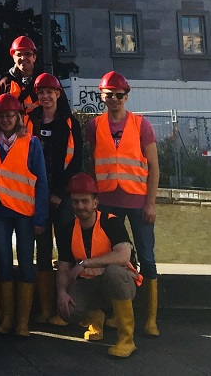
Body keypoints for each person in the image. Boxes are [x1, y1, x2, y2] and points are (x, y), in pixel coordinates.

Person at [85, 71, 160, 337]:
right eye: (109, 95)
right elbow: (93, 163)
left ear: (126, 97)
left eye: (119, 95)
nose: (114, 99)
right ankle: (114, 315)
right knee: (111, 260)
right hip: (107, 202)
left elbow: (153, 167)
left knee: (146, 257)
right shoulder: (94, 126)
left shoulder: (141, 125)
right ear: (102, 97)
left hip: (138, 201)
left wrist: (150, 203)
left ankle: (150, 319)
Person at [55, 173, 140, 358]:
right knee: (66, 310)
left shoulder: (111, 222)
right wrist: (62, 292)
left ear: (95, 202)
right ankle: (95, 317)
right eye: (75, 202)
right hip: (91, 286)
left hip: (121, 284)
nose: (80, 206)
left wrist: (85, 263)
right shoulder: (67, 230)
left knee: (115, 273)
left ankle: (127, 339)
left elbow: (124, 256)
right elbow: (63, 267)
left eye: (85, 201)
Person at [0, 92, 49, 337]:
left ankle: (22, 322)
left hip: (24, 213)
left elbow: (41, 182)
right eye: (1, 116)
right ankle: (7, 317)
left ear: (18, 117)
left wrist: (40, 218)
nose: (5, 120)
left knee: (25, 263)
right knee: (2, 262)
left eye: (10, 116)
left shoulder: (31, 143)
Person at [27, 72, 84, 324]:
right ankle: (46, 309)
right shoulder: (30, 121)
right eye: (41, 92)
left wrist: (59, 193)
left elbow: (76, 161)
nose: (45, 96)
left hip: (61, 198)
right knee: (42, 250)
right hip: (36, 196)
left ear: (58, 94)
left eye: (50, 91)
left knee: (65, 249)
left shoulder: (69, 123)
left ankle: (64, 309)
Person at [0, 36, 38, 104]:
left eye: (27, 54)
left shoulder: (45, 80)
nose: (23, 58)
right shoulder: (5, 83)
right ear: (14, 57)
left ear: (34, 57)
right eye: (19, 54)